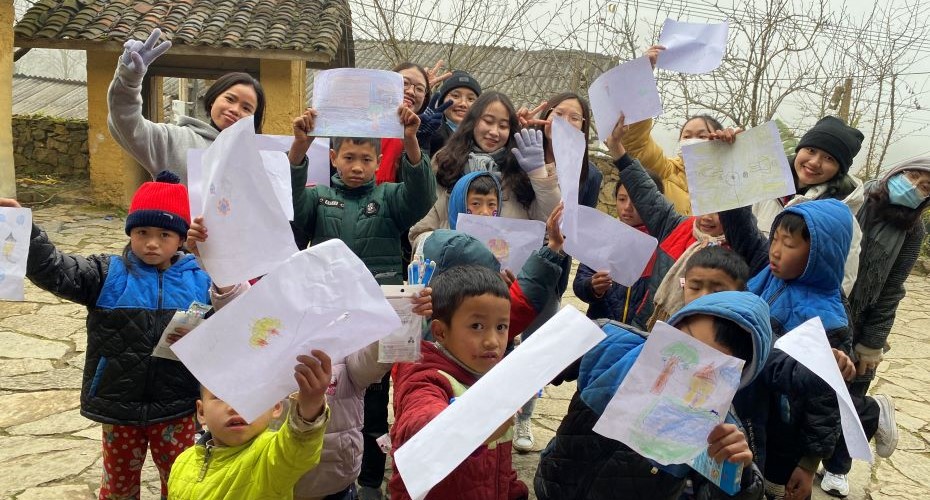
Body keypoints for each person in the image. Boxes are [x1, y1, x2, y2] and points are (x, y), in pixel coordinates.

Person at [185, 218, 433, 500]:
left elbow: (371, 362)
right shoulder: (269, 334)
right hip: (270, 483)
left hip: (333, 484)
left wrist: (404, 316)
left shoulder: (348, 338)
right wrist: (216, 256)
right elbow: (240, 309)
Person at [5, 172, 219, 498]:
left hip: (176, 406)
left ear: (181, 239)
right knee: (118, 485)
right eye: (142, 232)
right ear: (130, 231)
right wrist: (26, 234)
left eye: (164, 234)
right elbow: (56, 270)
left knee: (180, 484)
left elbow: (231, 315)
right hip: (119, 406)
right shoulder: (107, 274)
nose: (151, 242)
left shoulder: (201, 279)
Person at [534, 291, 772, 500]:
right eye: (685, 342)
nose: (684, 366)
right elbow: (536, 364)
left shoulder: (719, 429)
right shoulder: (611, 343)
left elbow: (716, 494)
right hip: (553, 483)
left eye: (709, 369)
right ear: (675, 323)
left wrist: (740, 476)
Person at [719, 199, 873, 500]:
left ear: (819, 255)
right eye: (774, 238)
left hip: (782, 436)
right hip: (743, 409)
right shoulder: (765, 272)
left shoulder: (827, 318)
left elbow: (826, 401)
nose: (775, 250)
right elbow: (740, 224)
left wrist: (808, 463)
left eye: (788, 244)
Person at [819, 160, 930, 496]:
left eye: (925, 187)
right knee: (814, 389)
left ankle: (838, 467)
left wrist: (873, 343)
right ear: (896, 172)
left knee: (854, 388)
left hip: (862, 318)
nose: (914, 187)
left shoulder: (913, 231)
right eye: (912, 176)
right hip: (823, 303)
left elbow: (893, 288)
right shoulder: (855, 199)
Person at [389, 265, 530, 500]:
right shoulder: (427, 378)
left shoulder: (490, 378)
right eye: (477, 326)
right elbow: (422, 423)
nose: (492, 341)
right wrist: (476, 427)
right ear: (440, 332)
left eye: (501, 327)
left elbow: (497, 462)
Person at [287, 107, 436, 286]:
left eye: (366, 159)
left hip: (379, 300)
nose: (357, 167)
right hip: (327, 298)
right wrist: (299, 146)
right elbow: (288, 198)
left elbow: (422, 195)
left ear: (378, 162)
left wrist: (410, 139)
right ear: (333, 158)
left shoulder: (389, 197)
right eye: (349, 158)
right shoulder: (318, 198)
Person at [604, 133, 731, 330]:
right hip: (647, 328)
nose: (708, 217)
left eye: (719, 210)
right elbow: (644, 191)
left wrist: (734, 160)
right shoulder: (676, 226)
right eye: (704, 205)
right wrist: (617, 149)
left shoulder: (741, 247)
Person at [107, 28, 266, 183]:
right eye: (230, 99)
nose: (235, 110)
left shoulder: (261, 157)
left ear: (254, 119)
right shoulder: (174, 140)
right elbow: (127, 125)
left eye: (246, 108)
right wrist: (128, 81)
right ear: (212, 101)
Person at [408, 91, 561, 251]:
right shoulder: (446, 161)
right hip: (449, 270)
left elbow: (552, 222)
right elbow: (420, 231)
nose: (494, 132)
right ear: (473, 122)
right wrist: (447, 247)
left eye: (503, 126)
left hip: (507, 273)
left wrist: (538, 174)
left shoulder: (521, 168)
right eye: (488, 121)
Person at [167, 353, 332, 499]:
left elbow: (297, 448)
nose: (235, 406)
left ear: (275, 406)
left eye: (251, 395)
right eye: (219, 396)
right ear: (201, 412)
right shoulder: (182, 462)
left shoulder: (269, 456)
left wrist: (310, 405)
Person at [611, 45, 732, 215]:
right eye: (687, 136)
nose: (692, 140)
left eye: (701, 135)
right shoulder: (666, 171)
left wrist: (735, 150)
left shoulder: (731, 175)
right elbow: (636, 141)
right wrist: (642, 76)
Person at [752, 116, 866, 295]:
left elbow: (842, 283)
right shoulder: (764, 190)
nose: (814, 162)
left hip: (790, 314)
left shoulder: (841, 220)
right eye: (811, 150)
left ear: (839, 170)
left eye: (829, 158)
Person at [573, 174, 661, 322]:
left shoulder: (664, 244)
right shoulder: (604, 236)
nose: (627, 207)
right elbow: (580, 283)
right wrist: (592, 287)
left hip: (642, 336)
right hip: (603, 330)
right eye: (622, 199)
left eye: (637, 200)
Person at [426, 70, 482, 156]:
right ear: (442, 100)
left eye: (471, 99)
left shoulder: (483, 137)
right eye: (455, 96)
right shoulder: (429, 130)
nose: (463, 104)